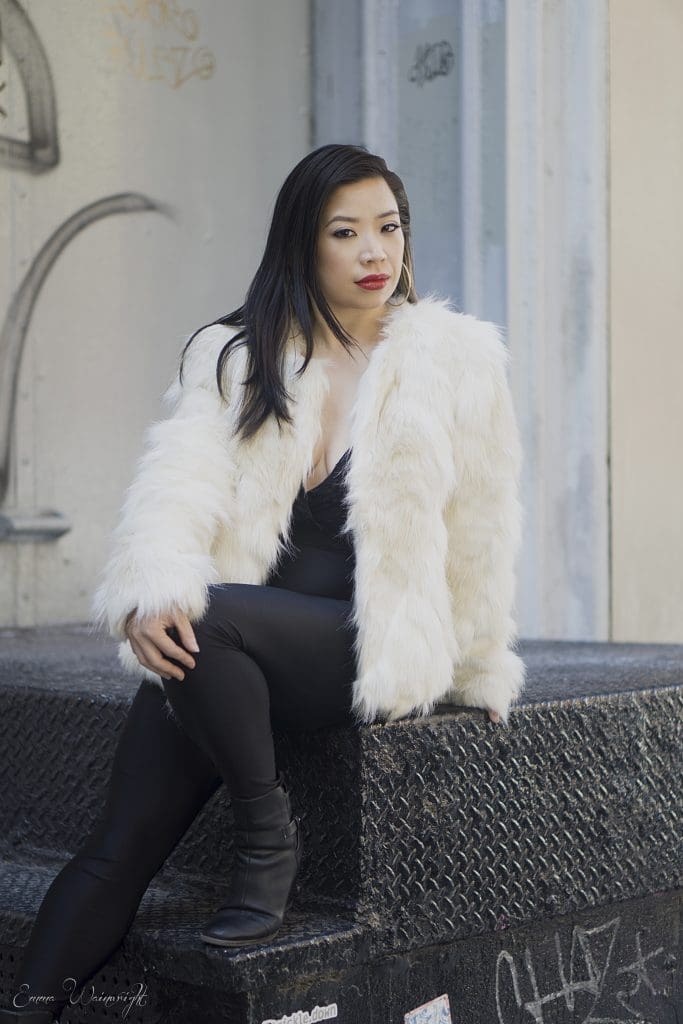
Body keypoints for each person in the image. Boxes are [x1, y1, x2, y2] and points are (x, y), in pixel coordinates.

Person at [0, 143, 524, 1023]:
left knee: (211, 618)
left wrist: (476, 665)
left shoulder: (456, 361)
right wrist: (152, 590)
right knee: (112, 852)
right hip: (233, 651)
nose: (374, 252)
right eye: (345, 232)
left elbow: (481, 527)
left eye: (388, 228)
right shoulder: (238, 355)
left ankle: (265, 831)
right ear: (302, 243)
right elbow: (178, 486)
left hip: (362, 644)